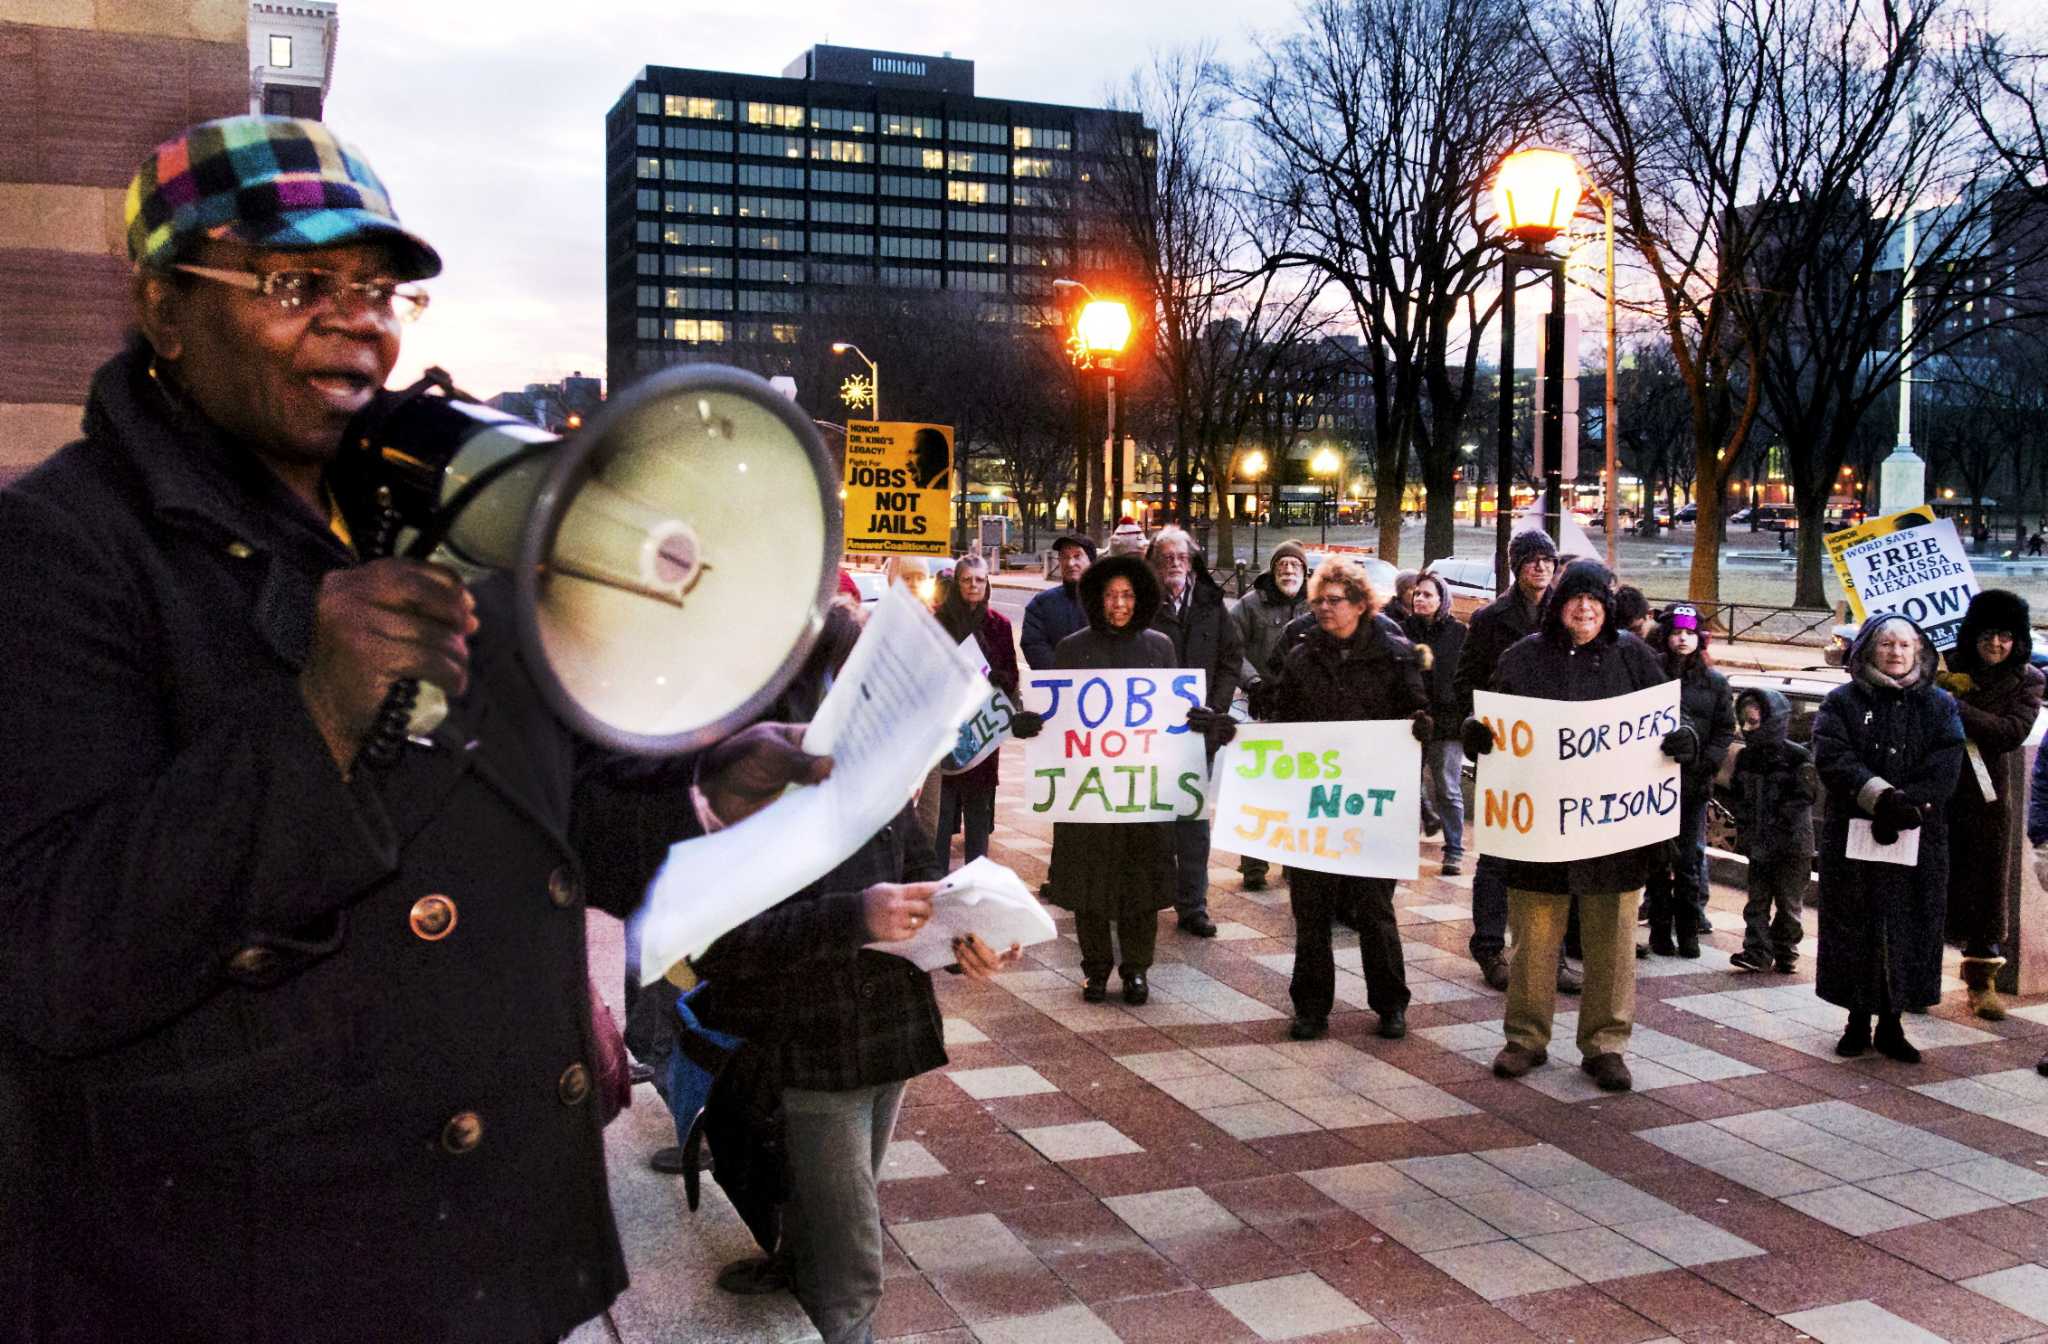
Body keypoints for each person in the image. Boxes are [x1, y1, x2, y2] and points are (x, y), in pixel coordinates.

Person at [0, 116, 830, 1343]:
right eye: (297, 287)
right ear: (165, 309)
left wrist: (702, 790)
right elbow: (49, 954)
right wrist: (314, 725)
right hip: (260, 1270)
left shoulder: (433, 508)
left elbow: (547, 824)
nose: (358, 323)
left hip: (494, 1246)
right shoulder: (61, 549)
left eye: (380, 291)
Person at [690, 787, 1016, 1344]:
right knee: (851, 1270)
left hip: (890, 1029)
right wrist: (856, 917)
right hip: (813, 1043)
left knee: (829, 1210)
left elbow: (920, 870)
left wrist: (969, 933)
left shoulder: (877, 771)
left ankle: (795, 1267)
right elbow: (716, 944)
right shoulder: (747, 781)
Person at [1462, 560, 1681, 1092]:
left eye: (1595, 599)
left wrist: (1685, 739)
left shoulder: (1634, 657)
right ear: (1559, 604)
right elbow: (1493, 720)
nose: (1585, 608)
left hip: (1614, 833)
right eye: (1575, 598)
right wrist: (1476, 734)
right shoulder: (1523, 658)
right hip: (1539, 829)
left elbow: (1668, 718)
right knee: (1534, 939)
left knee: (1613, 942)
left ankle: (1606, 1045)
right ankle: (1525, 1038)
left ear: (1608, 606)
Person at [1014, 556, 1206, 1003]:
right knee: (1089, 886)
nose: (1119, 604)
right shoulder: (1071, 648)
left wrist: (1198, 720)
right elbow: (1057, 715)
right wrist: (1029, 724)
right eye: (1110, 595)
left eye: (1128, 595)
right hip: (1089, 793)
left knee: (1142, 887)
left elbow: (1172, 712)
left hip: (1142, 793)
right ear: (1096, 600)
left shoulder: (1160, 647)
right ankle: (1096, 970)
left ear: (1141, 599)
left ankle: (1137, 969)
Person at [1254, 559, 1429, 1041]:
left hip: (1371, 804)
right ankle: (1310, 1008)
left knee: (1374, 909)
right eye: (1319, 601)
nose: (1324, 609)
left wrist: (1420, 723)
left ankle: (1390, 1005)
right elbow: (1282, 718)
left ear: (1359, 603)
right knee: (1311, 909)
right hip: (1317, 803)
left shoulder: (1394, 654)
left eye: (1334, 600)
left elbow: (1418, 709)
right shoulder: (1301, 655)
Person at [1811, 616, 1964, 1063]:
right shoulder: (1842, 701)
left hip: (1918, 833)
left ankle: (1894, 1022)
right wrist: (1879, 797)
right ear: (1867, 649)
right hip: (1854, 834)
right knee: (1855, 925)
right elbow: (1833, 756)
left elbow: (1947, 761)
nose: (1896, 653)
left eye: (1904, 645)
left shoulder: (1940, 705)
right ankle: (1856, 1020)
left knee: (1907, 925)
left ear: (1918, 651)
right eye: (1885, 644)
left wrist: (1910, 804)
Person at [1453, 529, 1575, 993]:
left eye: (1547, 559)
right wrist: (1475, 725)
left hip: (1553, 753)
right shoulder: (1490, 619)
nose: (1540, 567)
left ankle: (1552, 955)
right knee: (1498, 855)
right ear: (1516, 566)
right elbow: (1466, 681)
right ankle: (1489, 946)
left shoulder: (1566, 614)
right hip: (1505, 750)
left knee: (1553, 856)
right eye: (1531, 559)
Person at [1938, 591, 2044, 1020]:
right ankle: (1917, 974)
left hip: (1986, 797)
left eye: (2005, 636)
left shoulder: (2027, 680)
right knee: (1932, 883)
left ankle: (1981, 979)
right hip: (1938, 789)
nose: (1996, 644)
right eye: (1987, 635)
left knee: (1985, 889)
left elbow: (2009, 733)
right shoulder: (1945, 666)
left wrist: (1954, 705)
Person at [1146, 526, 1244, 938]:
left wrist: (1215, 709)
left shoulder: (1210, 604)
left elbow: (1231, 657)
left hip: (1197, 733)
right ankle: (1149, 896)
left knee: (1192, 822)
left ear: (1192, 563)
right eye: (1166, 557)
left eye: (1181, 557)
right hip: (1149, 735)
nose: (1174, 563)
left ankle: (1193, 905)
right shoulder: (1143, 603)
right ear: (1154, 563)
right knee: (1151, 821)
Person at [1640, 605, 1735, 959]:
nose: (1683, 639)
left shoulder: (1715, 682)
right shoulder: (1651, 674)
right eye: (1677, 633)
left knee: (1689, 862)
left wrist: (1707, 762)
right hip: (1654, 784)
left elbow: (1725, 729)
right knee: (1657, 860)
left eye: (1690, 633)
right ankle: (1660, 930)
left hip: (1694, 786)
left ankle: (1689, 930)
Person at [1230, 540, 1310, 892]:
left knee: (1299, 788)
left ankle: (1295, 861)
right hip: (1260, 705)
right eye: (1282, 565)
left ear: (1304, 572)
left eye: (1295, 565)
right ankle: (1253, 863)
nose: (1288, 571)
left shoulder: (1316, 604)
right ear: (1273, 570)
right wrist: (1254, 683)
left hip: (1303, 711)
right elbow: (1231, 649)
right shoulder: (1250, 605)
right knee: (1258, 787)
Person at [934, 554, 1020, 864]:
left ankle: (977, 873)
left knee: (978, 811)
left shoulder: (1000, 625)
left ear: (988, 584)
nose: (974, 586)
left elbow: (1012, 676)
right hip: (946, 728)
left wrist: (1001, 679)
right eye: (967, 580)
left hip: (983, 731)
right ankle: (935, 877)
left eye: (980, 580)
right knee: (941, 812)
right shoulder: (938, 622)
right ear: (956, 584)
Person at [1727, 688, 1819, 974]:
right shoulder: (1746, 757)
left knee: (1788, 904)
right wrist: (1747, 830)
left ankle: (1785, 950)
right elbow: (1738, 795)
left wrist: (1773, 823)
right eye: (1745, 722)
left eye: (1754, 722)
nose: (1748, 729)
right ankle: (1756, 951)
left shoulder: (1796, 757)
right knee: (1757, 901)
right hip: (1760, 843)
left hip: (1792, 845)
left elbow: (1804, 797)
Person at [1405, 572, 1470, 877]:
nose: (1420, 599)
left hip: (1447, 722)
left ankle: (1454, 849)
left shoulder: (1458, 633)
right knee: (1407, 785)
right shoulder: (1403, 630)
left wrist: (1461, 711)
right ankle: (1406, 843)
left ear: (1442, 600)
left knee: (1448, 787)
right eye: (1417, 593)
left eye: (1428, 594)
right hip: (1412, 720)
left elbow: (1466, 675)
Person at [1021, 533, 1093, 669]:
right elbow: (1033, 645)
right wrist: (1063, 674)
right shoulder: (1041, 604)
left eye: (1077, 556)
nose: (1070, 563)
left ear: (1091, 560)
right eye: (1065, 557)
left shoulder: (1108, 602)